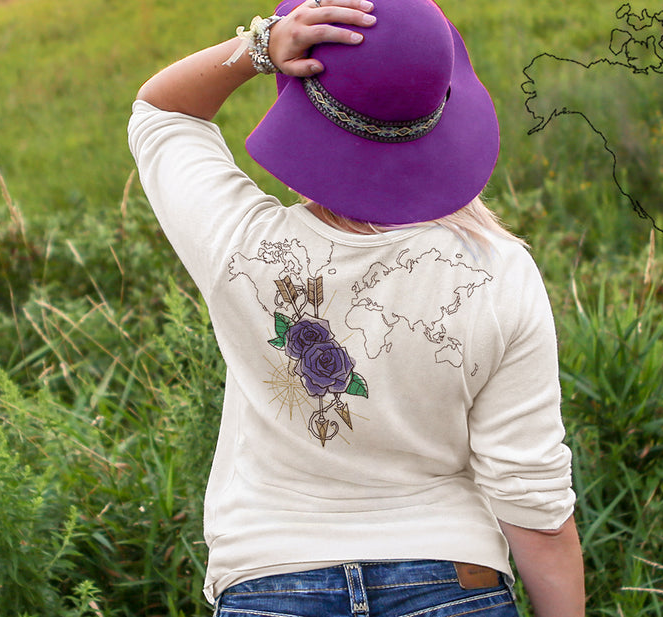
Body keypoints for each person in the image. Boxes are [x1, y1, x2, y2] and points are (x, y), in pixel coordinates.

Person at [127, 0, 585, 615]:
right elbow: (535, 505)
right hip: (453, 578)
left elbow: (161, 111)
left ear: (306, 113)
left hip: (270, 580)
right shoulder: (497, 274)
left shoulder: (240, 244)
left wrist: (263, 48)